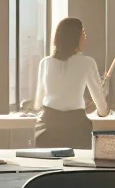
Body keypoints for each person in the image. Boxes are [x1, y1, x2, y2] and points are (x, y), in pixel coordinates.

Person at [31, 17, 109, 148]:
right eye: (83, 32)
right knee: (78, 165)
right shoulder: (87, 62)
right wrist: (104, 111)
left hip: (47, 126)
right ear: (75, 37)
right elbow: (101, 106)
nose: (85, 37)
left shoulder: (45, 63)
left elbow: (38, 104)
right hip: (76, 127)